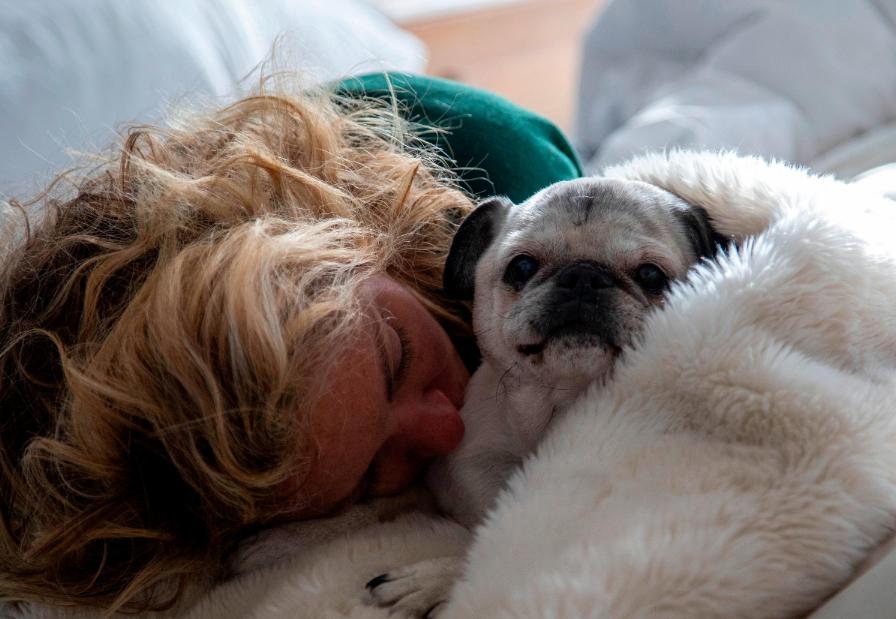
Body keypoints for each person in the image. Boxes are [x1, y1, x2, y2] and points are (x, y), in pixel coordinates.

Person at [0, 72, 581, 613]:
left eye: (399, 355)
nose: (446, 426)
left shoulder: (505, 182)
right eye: (376, 472)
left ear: (361, 242)